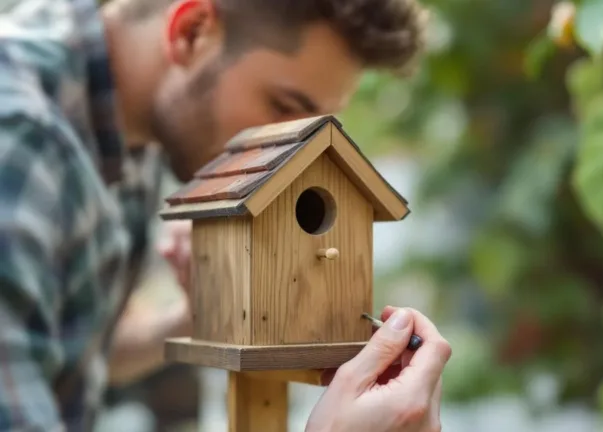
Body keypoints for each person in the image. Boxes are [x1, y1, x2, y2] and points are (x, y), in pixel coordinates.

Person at [0, 0, 452, 431]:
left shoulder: (129, 117)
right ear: (192, 32)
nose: (292, 152)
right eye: (284, 107)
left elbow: (71, 343)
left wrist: (198, 319)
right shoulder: (21, 138)